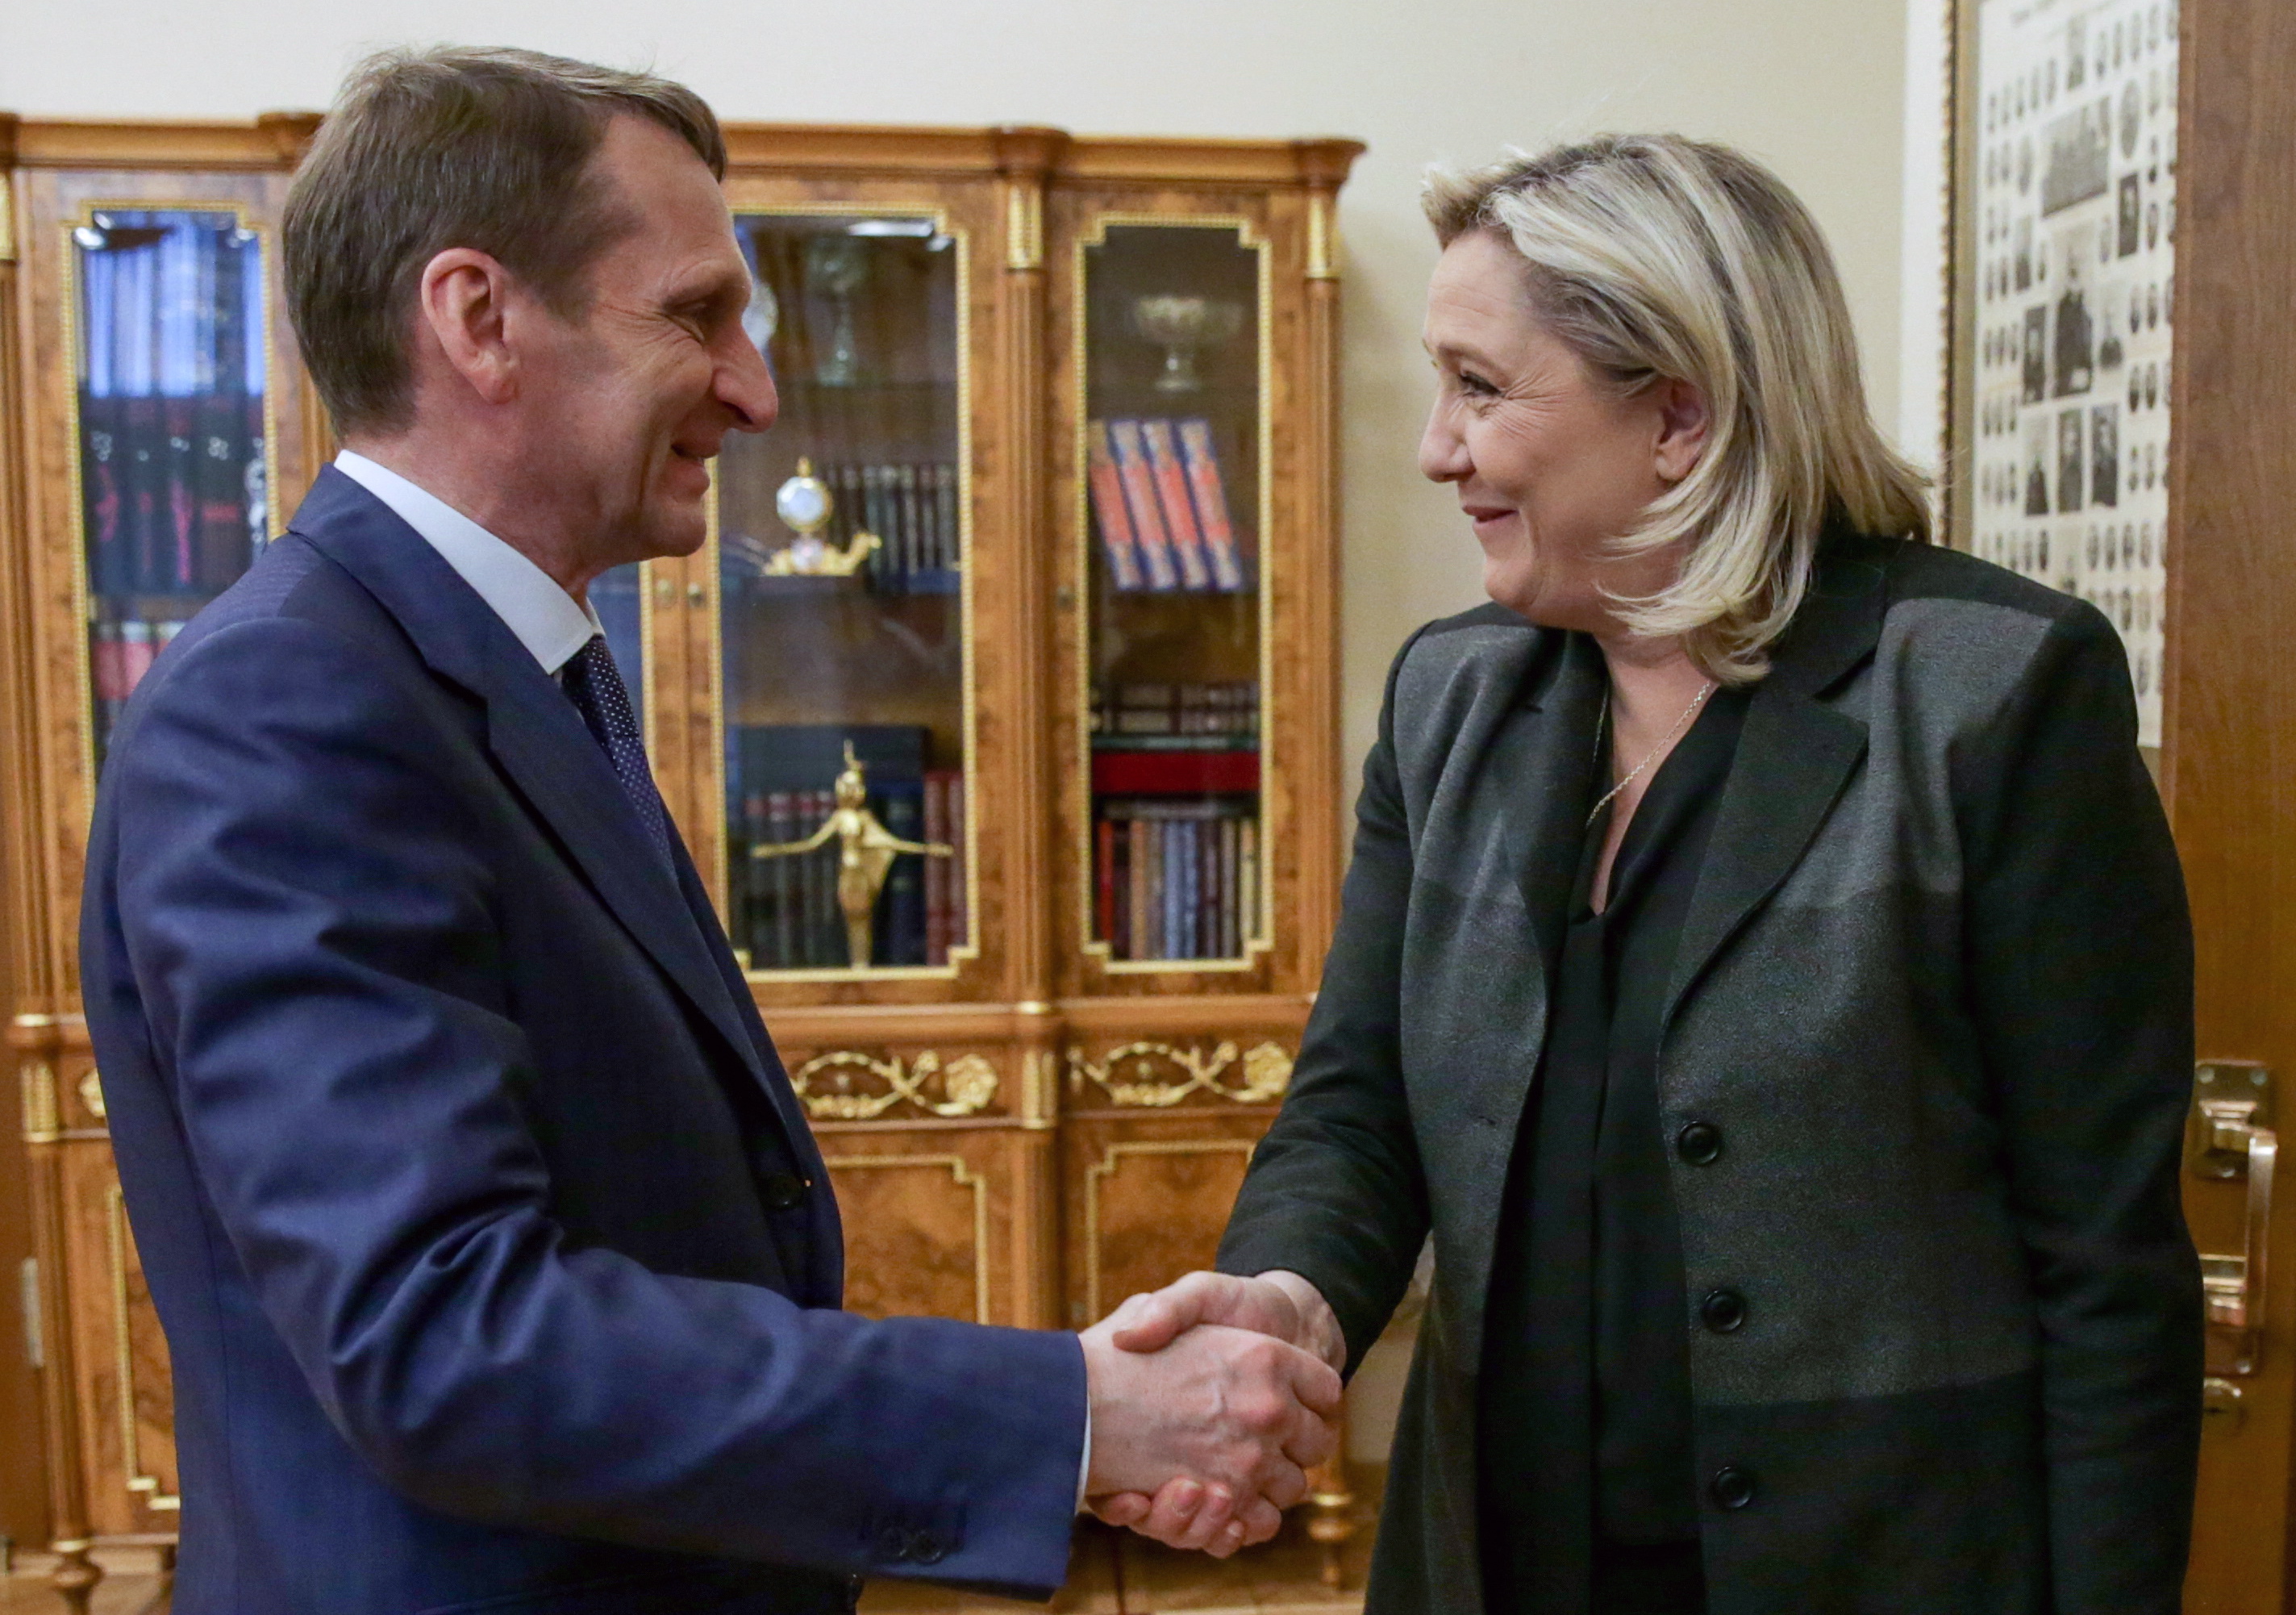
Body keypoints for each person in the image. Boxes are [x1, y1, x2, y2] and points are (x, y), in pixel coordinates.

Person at [78, 47, 1336, 1615]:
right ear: (478, 318)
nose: (754, 389)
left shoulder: (490, 669)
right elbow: (442, 1333)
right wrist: (1072, 1415)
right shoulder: (289, 700)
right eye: (696, 316)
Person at [1102, 135, 2201, 1613]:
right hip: (1495, 1558)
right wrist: (1290, 1299)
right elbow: (1359, 1106)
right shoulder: (1449, 698)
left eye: (1480, 387)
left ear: (1679, 413)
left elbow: (2105, 1264)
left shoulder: (1994, 692)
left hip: (1880, 1564)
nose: (1436, 446)